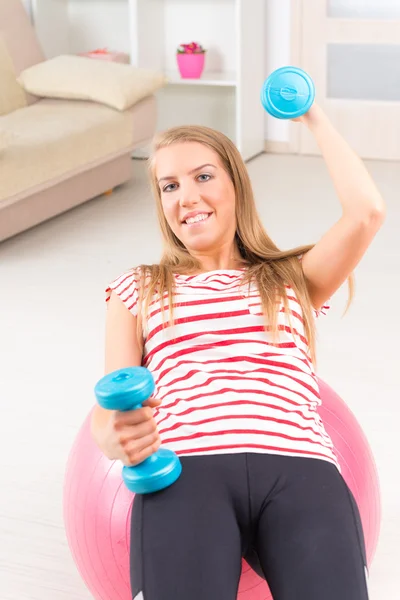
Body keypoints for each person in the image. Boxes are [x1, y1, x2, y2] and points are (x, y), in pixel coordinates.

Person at [91, 102, 385, 600]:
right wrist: (116, 439)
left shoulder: (292, 277)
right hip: (186, 471)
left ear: (235, 185)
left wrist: (313, 117)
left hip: (299, 465)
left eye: (203, 176)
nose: (187, 197)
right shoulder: (138, 288)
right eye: (170, 186)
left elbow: (366, 213)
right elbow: (108, 411)